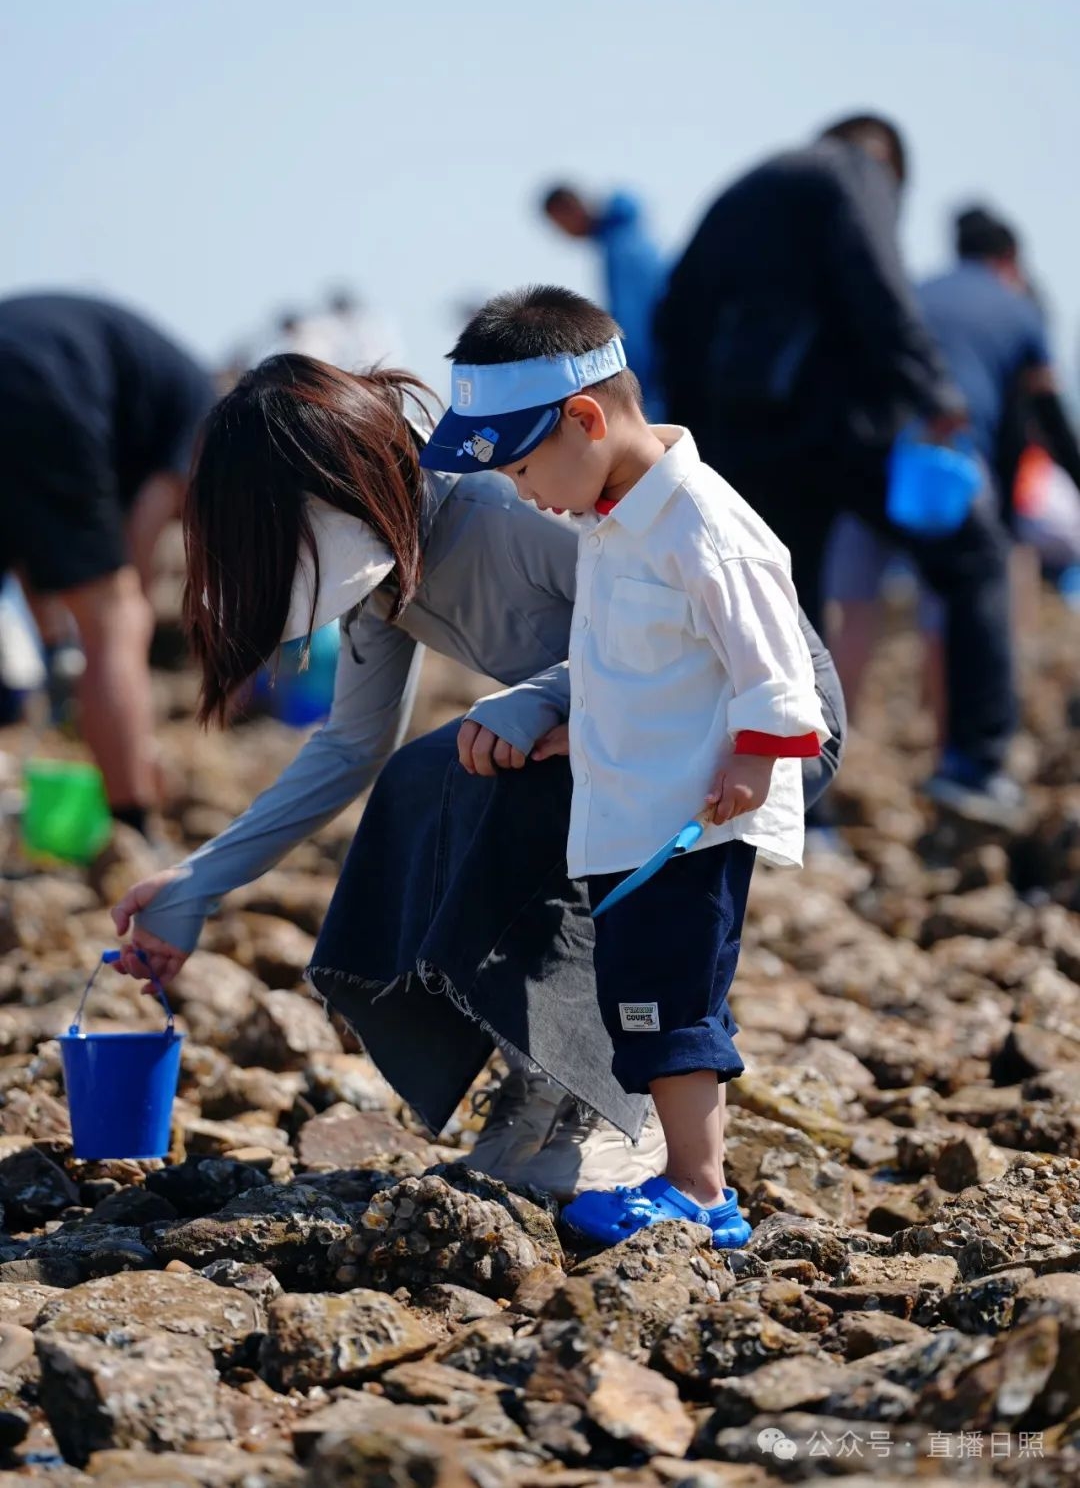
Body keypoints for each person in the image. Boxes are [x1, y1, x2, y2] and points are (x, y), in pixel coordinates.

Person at [111, 351, 847, 1202]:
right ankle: (538, 1068)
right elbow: (351, 746)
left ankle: (605, 1102)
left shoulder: (507, 506)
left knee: (479, 775)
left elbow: (676, 631)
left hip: (751, 726)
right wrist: (200, 880)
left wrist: (540, 696)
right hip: (618, 740)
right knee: (429, 776)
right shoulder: (389, 569)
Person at [419, 286, 829, 1246]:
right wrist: (574, 730)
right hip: (629, 808)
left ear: (585, 419)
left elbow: (774, 661)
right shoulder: (610, 521)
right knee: (636, 999)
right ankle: (684, 1179)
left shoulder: (700, 522)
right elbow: (634, 668)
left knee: (671, 1003)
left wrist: (754, 759)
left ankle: (698, 1192)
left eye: (523, 466)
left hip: (686, 817)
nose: (521, 493)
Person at [655, 114, 1024, 828]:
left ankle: (789, 803)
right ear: (888, 164)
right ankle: (974, 766)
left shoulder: (739, 192)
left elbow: (676, 319)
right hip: (848, 426)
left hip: (749, 438)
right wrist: (936, 394)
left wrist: (702, 440)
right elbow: (879, 281)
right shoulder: (854, 171)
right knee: (975, 556)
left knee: (778, 606)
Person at [825, 205, 1080, 725]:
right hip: (942, 470)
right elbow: (1046, 410)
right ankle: (949, 748)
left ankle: (827, 751)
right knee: (949, 609)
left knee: (852, 611)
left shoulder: (918, 289)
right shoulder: (1019, 308)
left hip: (870, 460)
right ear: (1010, 258)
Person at [0, 293, 216, 833]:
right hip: (46, 382)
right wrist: (121, 647)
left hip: (30, 371)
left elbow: (34, 545)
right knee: (117, 620)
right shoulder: (208, 418)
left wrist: (56, 648)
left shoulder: (138, 407)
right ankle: (133, 822)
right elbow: (144, 527)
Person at [541, 185, 666, 419]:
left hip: (658, 375)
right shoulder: (627, 237)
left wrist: (627, 384)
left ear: (568, 209)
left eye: (558, 225)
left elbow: (633, 325)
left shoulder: (622, 248)